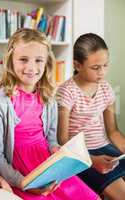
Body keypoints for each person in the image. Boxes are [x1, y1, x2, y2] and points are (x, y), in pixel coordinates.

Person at [0, 28, 100, 200]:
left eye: (38, 60)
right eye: (23, 59)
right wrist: (23, 182)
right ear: (10, 61)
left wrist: (56, 150)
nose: (31, 68)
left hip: (48, 166)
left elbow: (50, 139)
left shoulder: (48, 98)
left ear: (46, 63)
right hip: (20, 172)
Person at [56, 33, 125, 200]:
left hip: (106, 148)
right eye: (95, 67)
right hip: (81, 155)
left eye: (105, 65)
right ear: (77, 65)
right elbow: (63, 140)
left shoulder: (106, 88)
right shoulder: (66, 92)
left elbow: (113, 131)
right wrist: (92, 160)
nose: (102, 72)